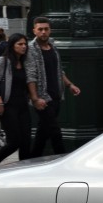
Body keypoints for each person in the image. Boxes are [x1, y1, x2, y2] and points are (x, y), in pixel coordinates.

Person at [25, 16, 80, 156]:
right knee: (55, 131)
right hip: (43, 98)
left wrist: (69, 85)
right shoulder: (31, 49)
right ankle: (63, 159)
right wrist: (35, 98)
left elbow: (59, 70)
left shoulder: (53, 47)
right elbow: (30, 75)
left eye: (46, 29)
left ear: (50, 30)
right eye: (40, 29)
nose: (43, 32)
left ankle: (33, 158)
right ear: (34, 31)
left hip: (56, 95)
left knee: (43, 131)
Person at [0, 33, 32, 172]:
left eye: (25, 44)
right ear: (12, 45)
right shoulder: (2, 61)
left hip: (23, 105)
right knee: (14, 142)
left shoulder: (24, 62)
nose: (23, 47)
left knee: (26, 141)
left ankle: (25, 170)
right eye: (20, 44)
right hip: (7, 106)